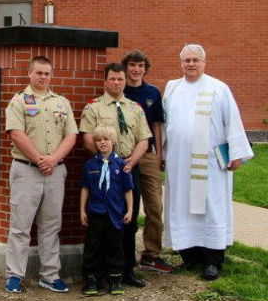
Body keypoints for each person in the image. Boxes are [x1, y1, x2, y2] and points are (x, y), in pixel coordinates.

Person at [162, 44, 253, 281]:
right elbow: (165, 124)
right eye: (186, 60)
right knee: (181, 206)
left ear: (204, 62)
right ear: (180, 63)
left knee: (211, 207)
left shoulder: (218, 89)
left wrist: (236, 154)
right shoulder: (172, 88)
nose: (191, 64)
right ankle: (189, 257)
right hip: (179, 163)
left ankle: (213, 260)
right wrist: (161, 155)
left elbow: (232, 121)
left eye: (195, 60)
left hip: (210, 164)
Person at [3, 56, 78, 294]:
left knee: (51, 225)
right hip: (26, 170)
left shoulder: (62, 102)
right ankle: (14, 275)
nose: (43, 77)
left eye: (47, 73)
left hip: (55, 171)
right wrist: (39, 159)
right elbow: (16, 133)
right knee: (20, 226)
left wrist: (53, 160)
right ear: (30, 74)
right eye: (39, 73)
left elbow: (71, 136)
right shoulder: (19, 101)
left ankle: (50, 274)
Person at [80, 63, 151, 288]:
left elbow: (144, 139)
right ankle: (99, 274)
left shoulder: (135, 108)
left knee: (127, 222)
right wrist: (110, 161)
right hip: (103, 170)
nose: (117, 83)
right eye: (112, 79)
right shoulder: (94, 108)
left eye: (120, 79)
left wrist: (130, 162)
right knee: (100, 225)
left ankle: (126, 271)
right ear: (105, 81)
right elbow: (88, 139)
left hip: (129, 169)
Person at [122, 49, 171, 273]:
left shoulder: (152, 92)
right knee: (126, 205)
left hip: (149, 155)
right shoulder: (120, 90)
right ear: (126, 67)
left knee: (154, 205)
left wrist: (160, 154)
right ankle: (125, 254)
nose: (136, 69)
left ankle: (151, 254)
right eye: (132, 65)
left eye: (140, 66)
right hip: (126, 155)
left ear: (145, 68)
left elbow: (158, 126)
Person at [80, 126, 134, 296]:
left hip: (115, 213)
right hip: (96, 212)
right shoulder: (90, 165)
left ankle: (115, 280)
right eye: (98, 140)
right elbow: (85, 188)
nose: (102, 143)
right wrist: (82, 210)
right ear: (95, 144)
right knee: (93, 246)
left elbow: (128, 190)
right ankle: (91, 280)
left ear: (113, 142)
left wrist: (130, 210)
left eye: (106, 139)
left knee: (115, 246)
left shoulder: (122, 164)